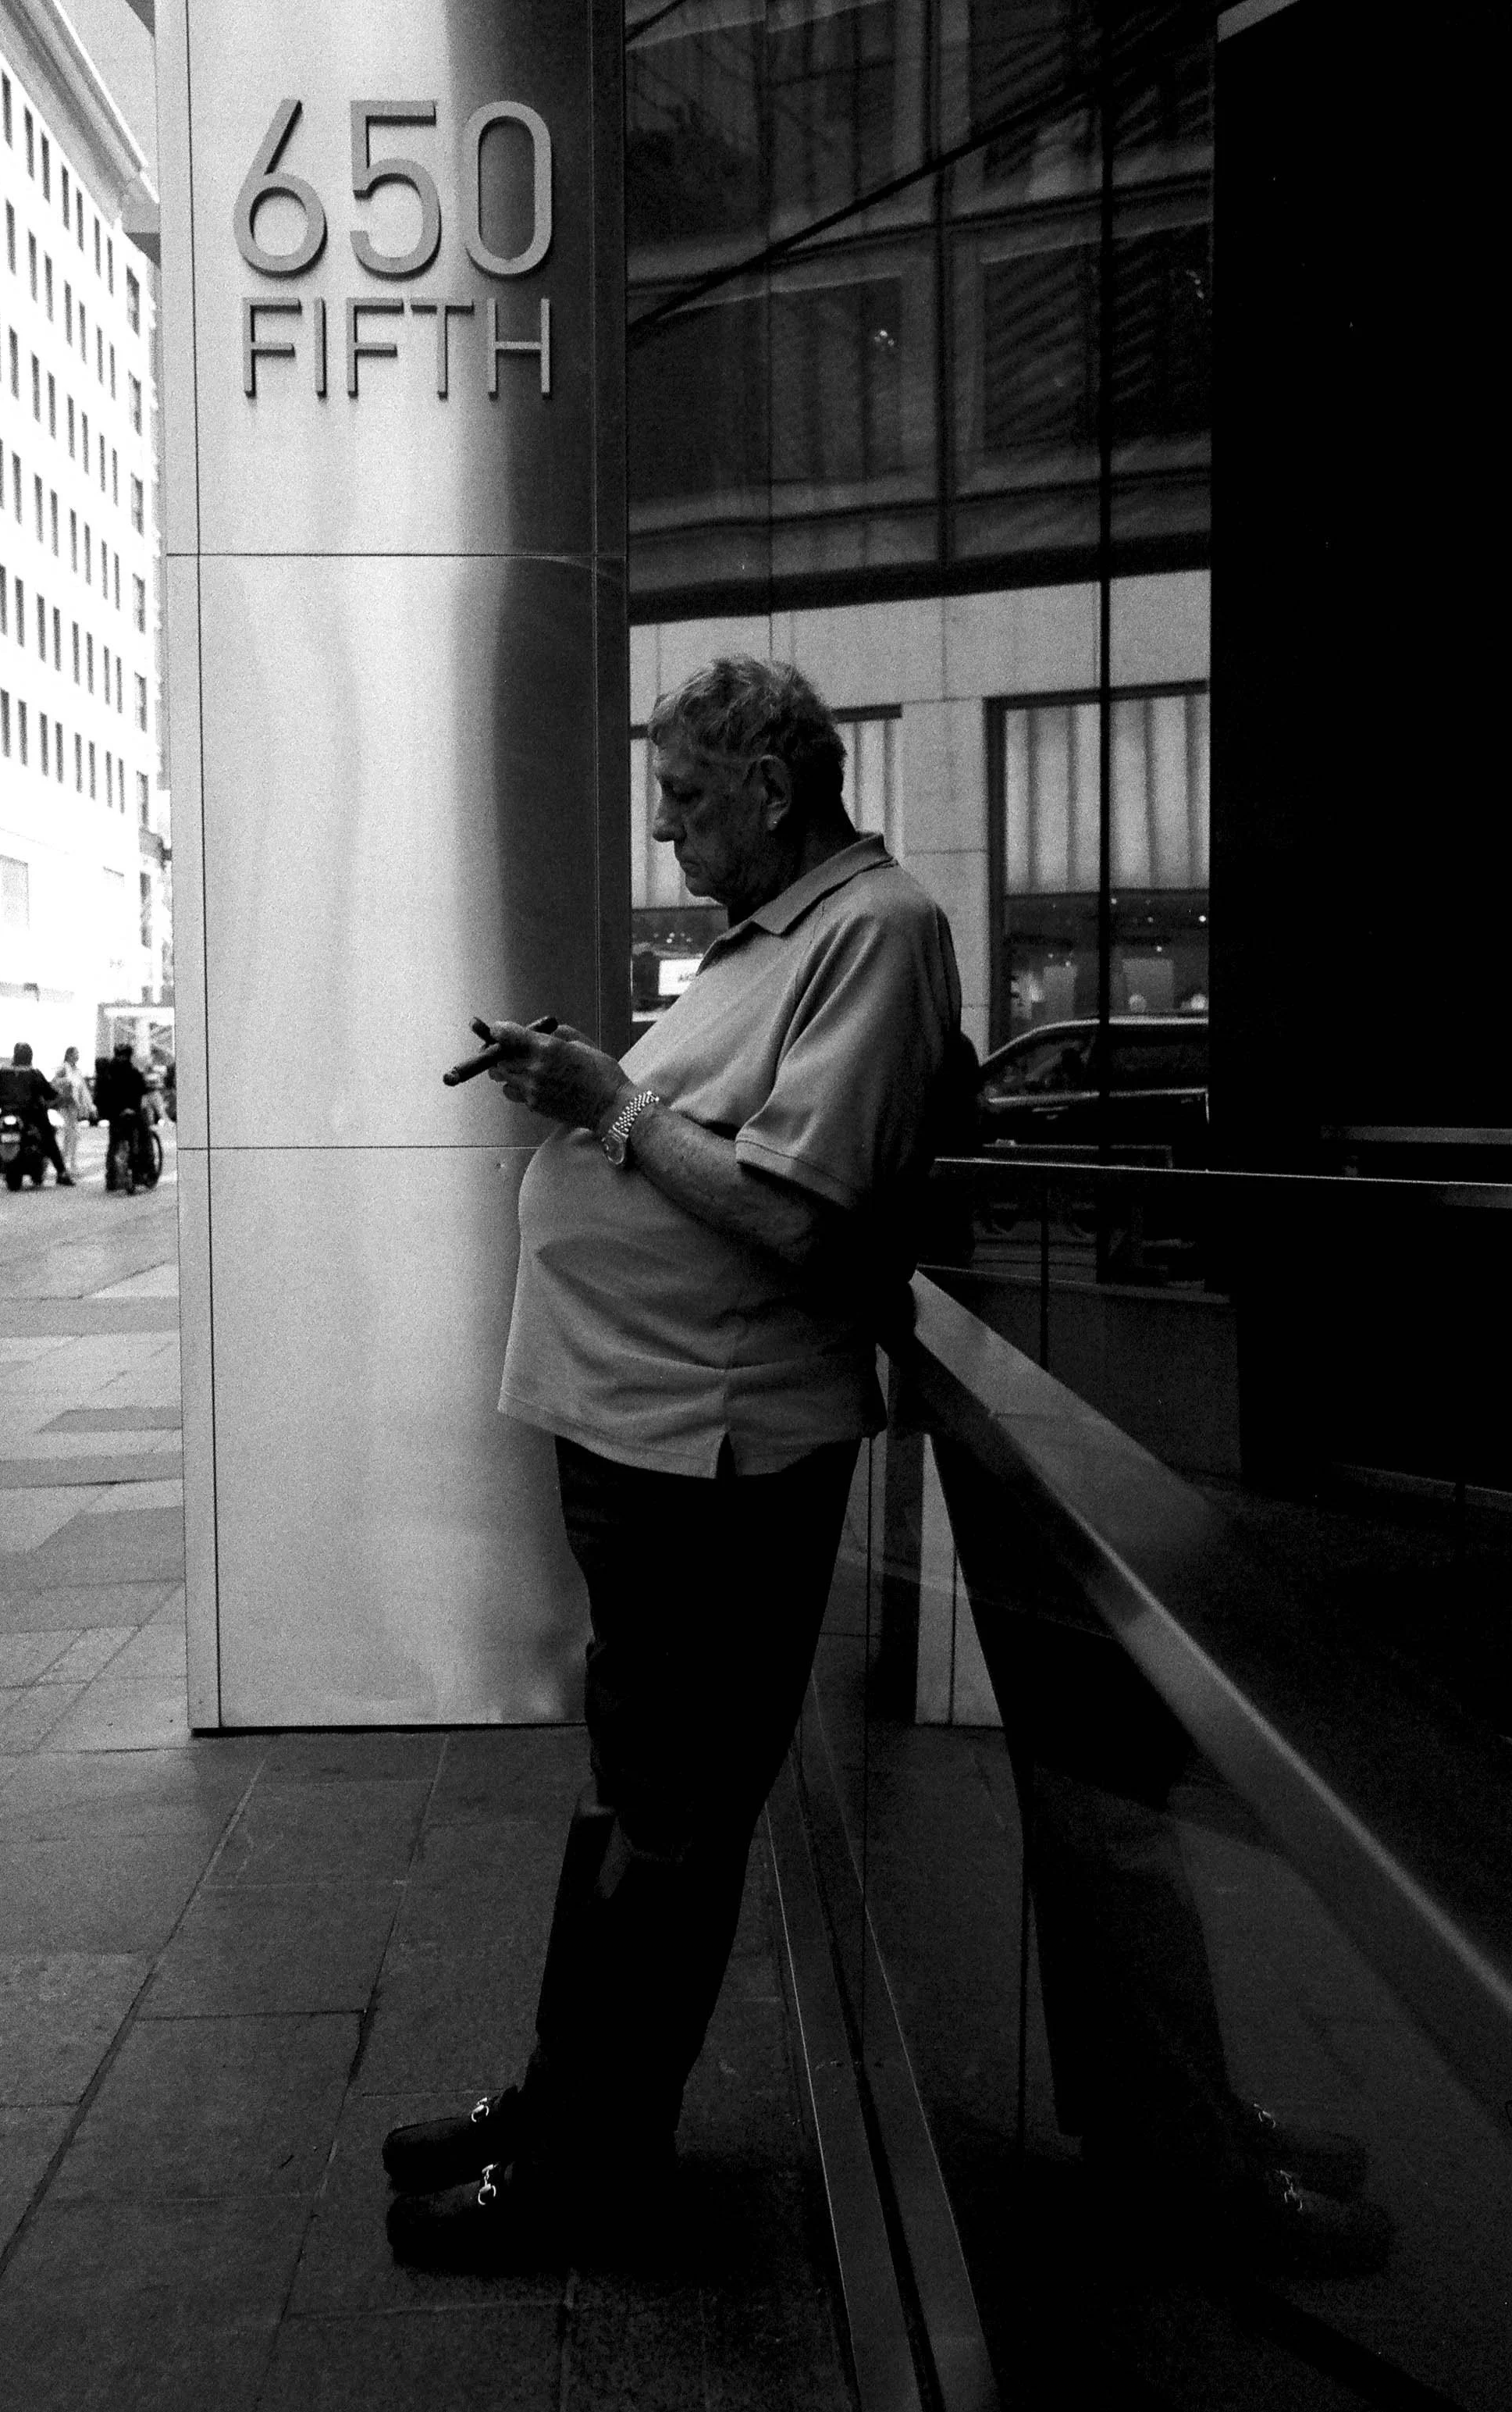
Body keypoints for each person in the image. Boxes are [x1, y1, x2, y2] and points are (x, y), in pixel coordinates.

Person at [384, 656, 962, 2268]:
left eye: (688, 794)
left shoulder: (876, 930)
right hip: (650, 1436)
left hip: (718, 1454)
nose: (663, 822)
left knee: (673, 1811)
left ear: (774, 787)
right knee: (635, 1793)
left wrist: (609, 1106)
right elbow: (716, 1141)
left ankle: (591, 2160)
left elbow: (798, 1212)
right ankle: (563, 2099)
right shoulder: (769, 941)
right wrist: (604, 1093)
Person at [0, 1043, 73, 1184]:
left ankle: (1, 1160)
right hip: (30, 1116)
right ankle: (62, 1173)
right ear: (30, 1057)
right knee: (49, 1137)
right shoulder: (33, 1073)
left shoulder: (3, 1072)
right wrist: (59, 1098)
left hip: (5, 1114)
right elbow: (50, 1093)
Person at [97, 1042, 152, 1185]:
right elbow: (143, 1089)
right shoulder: (133, 1071)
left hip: (114, 1114)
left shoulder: (107, 1072)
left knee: (114, 1143)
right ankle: (146, 1170)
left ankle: (111, 1177)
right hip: (132, 1112)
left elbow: (102, 1094)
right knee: (145, 1136)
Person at [52, 1047, 93, 1180]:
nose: (78, 1056)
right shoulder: (64, 1068)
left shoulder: (77, 1071)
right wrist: (66, 1082)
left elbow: (83, 1089)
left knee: (73, 1135)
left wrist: (90, 1105)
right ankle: (67, 1165)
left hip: (74, 1106)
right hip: (65, 1104)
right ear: (69, 1055)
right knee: (71, 1134)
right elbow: (54, 1082)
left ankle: (68, 1164)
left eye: (78, 1054)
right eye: (76, 1054)